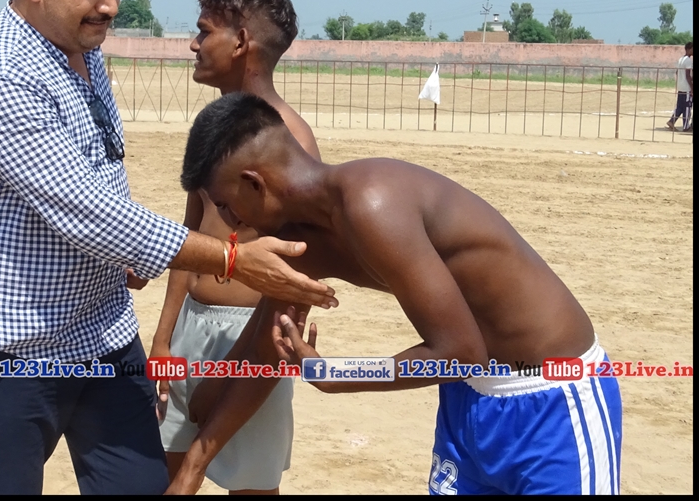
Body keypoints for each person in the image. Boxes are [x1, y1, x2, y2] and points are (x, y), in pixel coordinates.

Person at [0, 0, 336, 495]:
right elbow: (84, 209)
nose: (111, 5)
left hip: (101, 331)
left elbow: (101, 175)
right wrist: (230, 258)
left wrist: (127, 253)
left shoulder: (82, 51)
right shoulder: (0, 73)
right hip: (9, 343)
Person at [177, 91, 622, 495]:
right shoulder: (298, 239)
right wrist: (193, 462)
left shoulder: (371, 202)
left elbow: (460, 352)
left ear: (255, 183)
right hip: (467, 399)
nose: (228, 220)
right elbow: (265, 348)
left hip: (552, 397)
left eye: (224, 203)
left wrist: (339, 374)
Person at [151, 0, 319, 495]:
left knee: (248, 486)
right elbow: (191, 238)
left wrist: (255, 357)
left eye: (205, 31)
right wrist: (164, 339)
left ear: (241, 41)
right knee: (168, 478)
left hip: (253, 337)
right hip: (191, 327)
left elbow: (297, 275)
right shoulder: (213, 128)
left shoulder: (289, 140)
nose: (194, 44)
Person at [666, 41, 692, 132]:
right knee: (687, 107)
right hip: (686, 87)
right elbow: (688, 76)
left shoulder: (681, 59)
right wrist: (692, 88)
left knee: (680, 106)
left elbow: (677, 72)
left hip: (680, 86)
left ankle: (671, 121)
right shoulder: (688, 61)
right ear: (688, 49)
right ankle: (686, 126)